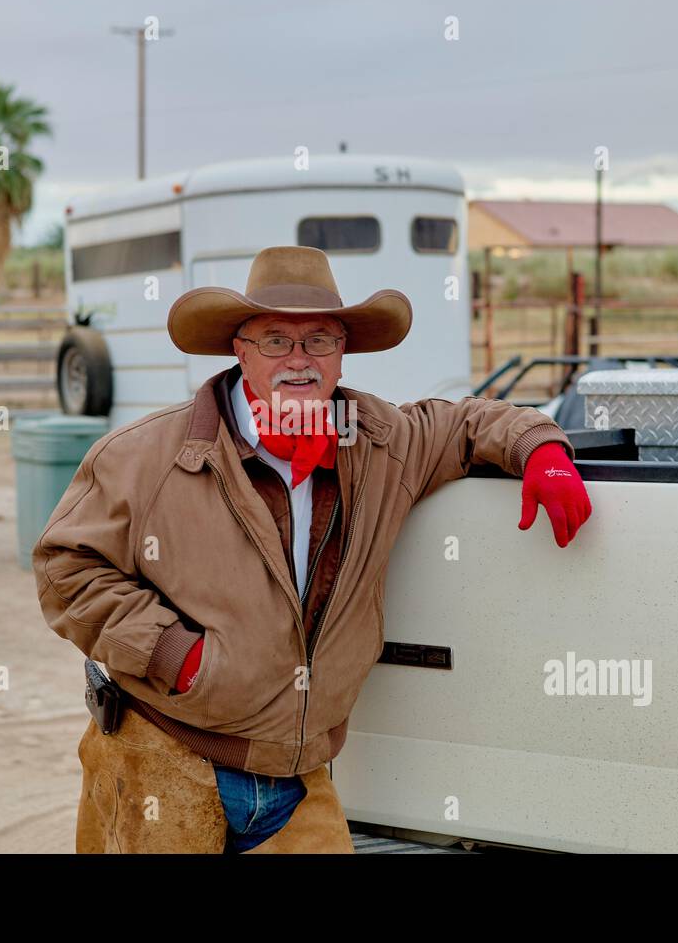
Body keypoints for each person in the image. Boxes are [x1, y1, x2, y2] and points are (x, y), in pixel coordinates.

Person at [33, 245, 592, 853]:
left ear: (342, 352)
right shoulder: (144, 456)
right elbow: (66, 567)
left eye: (320, 340)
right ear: (240, 350)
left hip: (298, 772)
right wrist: (176, 655)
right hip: (163, 751)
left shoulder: (383, 441)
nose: (298, 360)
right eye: (275, 340)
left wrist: (542, 450)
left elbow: (467, 423)